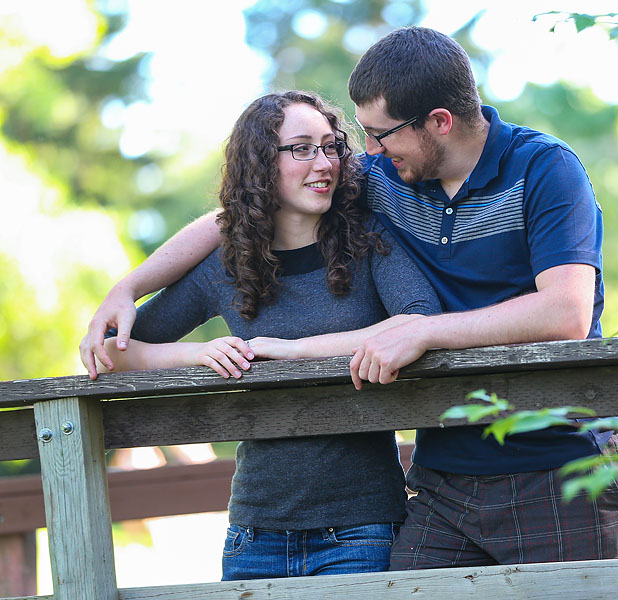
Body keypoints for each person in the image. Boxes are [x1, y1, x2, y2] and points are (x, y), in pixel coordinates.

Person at [80, 27, 618, 569]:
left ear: (439, 122)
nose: (361, 153)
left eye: (379, 133)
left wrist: (422, 329)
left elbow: (565, 314)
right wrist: (128, 288)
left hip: (558, 463)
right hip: (443, 477)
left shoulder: (545, 169)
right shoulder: (390, 172)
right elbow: (243, 211)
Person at [98, 90, 442, 579]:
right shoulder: (225, 267)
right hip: (253, 535)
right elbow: (113, 353)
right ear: (261, 163)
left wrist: (298, 350)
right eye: (301, 148)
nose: (323, 162)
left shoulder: (370, 243)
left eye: (330, 146)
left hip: (362, 529)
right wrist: (199, 354)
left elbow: (420, 319)